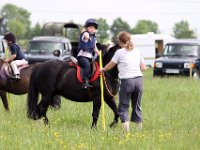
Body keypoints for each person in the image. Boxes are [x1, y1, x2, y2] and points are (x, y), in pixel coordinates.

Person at [100, 31, 146, 132]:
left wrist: (102, 69)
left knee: (123, 106)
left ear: (120, 42)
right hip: (139, 81)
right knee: (137, 106)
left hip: (126, 81)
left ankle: (126, 132)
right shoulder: (137, 51)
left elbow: (111, 65)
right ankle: (139, 132)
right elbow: (143, 67)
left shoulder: (119, 52)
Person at [77, 18, 100, 89]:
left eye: (94, 28)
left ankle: (92, 80)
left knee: (94, 66)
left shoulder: (94, 38)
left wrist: (99, 54)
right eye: (90, 27)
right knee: (87, 65)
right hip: (82, 56)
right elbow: (86, 36)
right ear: (86, 28)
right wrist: (87, 36)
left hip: (89, 57)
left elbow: (94, 48)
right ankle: (85, 82)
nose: (92, 29)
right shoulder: (85, 33)